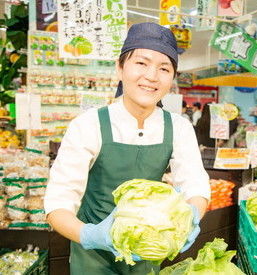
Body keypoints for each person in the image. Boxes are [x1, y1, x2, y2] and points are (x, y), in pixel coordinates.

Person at [44, 22, 210, 275]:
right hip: (93, 257)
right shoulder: (88, 125)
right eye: (141, 63)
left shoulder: (179, 127)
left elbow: (195, 185)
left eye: (164, 68)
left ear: (172, 79)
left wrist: (189, 218)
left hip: (147, 250)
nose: (152, 76)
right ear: (120, 68)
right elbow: (58, 203)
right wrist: (90, 235)